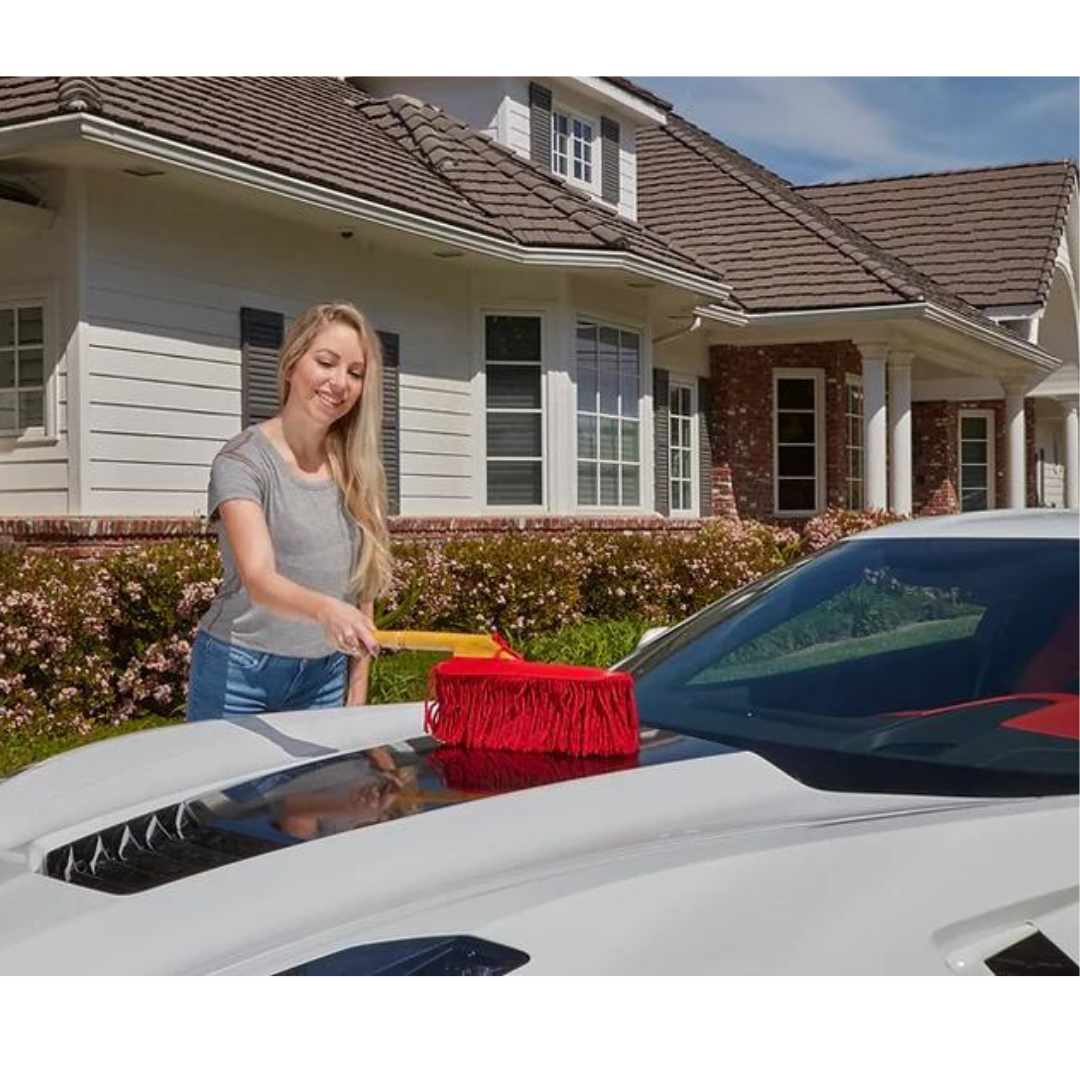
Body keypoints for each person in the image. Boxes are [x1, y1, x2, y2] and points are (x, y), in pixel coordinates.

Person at [185, 301, 393, 721]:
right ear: (291, 364)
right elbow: (260, 579)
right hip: (239, 671)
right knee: (229, 790)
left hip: (324, 676)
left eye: (355, 373)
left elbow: (362, 590)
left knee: (317, 790)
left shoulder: (357, 468)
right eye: (326, 362)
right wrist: (327, 610)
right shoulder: (241, 462)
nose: (340, 383)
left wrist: (356, 697)